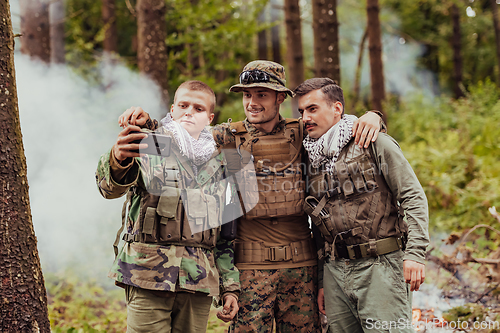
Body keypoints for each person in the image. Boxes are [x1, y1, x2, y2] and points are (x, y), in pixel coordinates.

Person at [119, 60, 383, 332]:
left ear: (280, 97)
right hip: (249, 266)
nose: (252, 102)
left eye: (261, 95)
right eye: (247, 95)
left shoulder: (302, 131)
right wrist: (146, 121)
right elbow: (180, 134)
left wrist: (373, 116)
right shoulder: (227, 136)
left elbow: (339, 127)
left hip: (301, 265)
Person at [95, 80, 240, 333]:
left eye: (198, 108)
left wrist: (229, 288)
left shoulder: (224, 162)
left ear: (210, 117)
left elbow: (226, 236)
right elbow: (109, 189)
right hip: (148, 275)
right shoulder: (150, 144)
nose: (189, 112)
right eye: (183, 105)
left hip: (198, 281)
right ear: (172, 110)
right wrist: (117, 158)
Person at [296, 78, 429, 333]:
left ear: (336, 109)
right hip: (336, 273)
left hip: (381, 267)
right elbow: (318, 226)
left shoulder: (373, 142)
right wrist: (323, 280)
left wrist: (415, 253)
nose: (305, 117)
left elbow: (412, 196)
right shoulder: (310, 157)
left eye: (312, 109)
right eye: (302, 111)